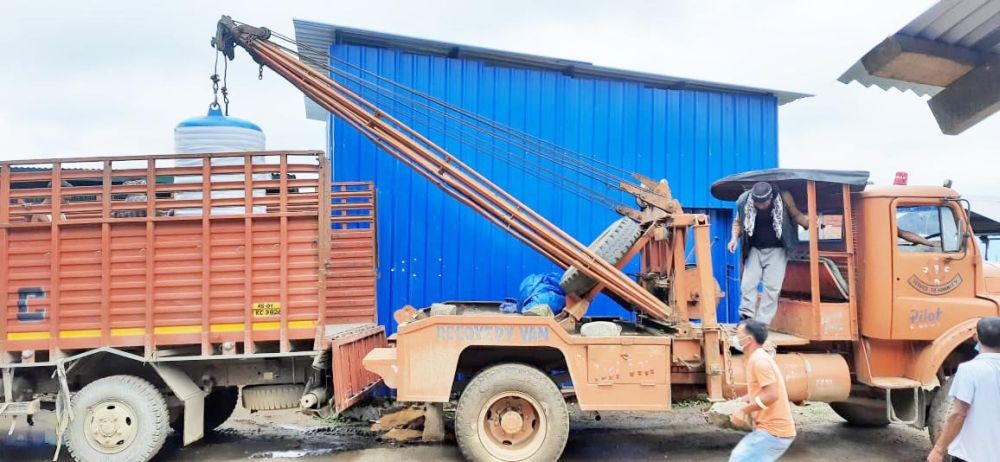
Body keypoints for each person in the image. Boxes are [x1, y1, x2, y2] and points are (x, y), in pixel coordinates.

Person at [727, 182, 808, 324]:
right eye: (758, 203)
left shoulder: (783, 197)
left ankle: (762, 323)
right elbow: (738, 222)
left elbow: (795, 214)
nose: (761, 206)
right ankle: (746, 317)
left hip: (778, 249)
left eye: (764, 203)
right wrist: (733, 239)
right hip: (755, 248)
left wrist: (808, 223)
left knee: (772, 287)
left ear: (770, 197)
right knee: (748, 283)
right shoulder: (745, 200)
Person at [927, 316, 1000, 462]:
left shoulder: (969, 370)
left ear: (976, 337)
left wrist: (938, 449)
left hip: (971, 454)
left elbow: (959, 414)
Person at [729, 319, 796, 462]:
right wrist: (743, 400)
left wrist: (743, 411)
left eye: (738, 334)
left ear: (748, 339)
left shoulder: (759, 361)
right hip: (772, 432)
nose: (735, 337)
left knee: (739, 459)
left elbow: (771, 395)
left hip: (773, 433)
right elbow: (762, 390)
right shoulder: (758, 357)